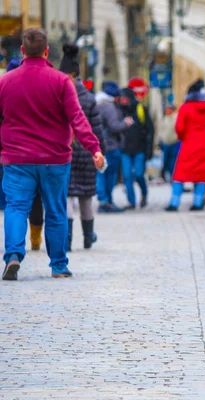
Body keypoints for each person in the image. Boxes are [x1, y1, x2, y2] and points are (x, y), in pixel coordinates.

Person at [0, 28, 104, 281]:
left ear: (22, 51)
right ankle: (58, 265)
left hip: (17, 158)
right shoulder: (61, 81)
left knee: (15, 207)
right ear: (47, 51)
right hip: (54, 159)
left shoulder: (5, 82)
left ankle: (13, 255)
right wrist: (94, 148)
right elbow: (77, 118)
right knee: (55, 210)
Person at [59, 43, 105, 251]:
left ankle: (67, 239)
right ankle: (88, 236)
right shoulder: (88, 97)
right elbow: (96, 127)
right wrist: (99, 151)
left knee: (67, 194)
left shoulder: (58, 94)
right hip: (87, 151)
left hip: (65, 149)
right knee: (86, 195)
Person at [1, 57, 46, 251]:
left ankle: (13, 252)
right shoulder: (35, 91)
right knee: (35, 198)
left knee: (15, 203)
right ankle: (35, 239)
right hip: (36, 154)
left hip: (10, 154)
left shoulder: (4, 90)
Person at [165, 80, 205, 211]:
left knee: (180, 174)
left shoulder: (185, 108)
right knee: (202, 174)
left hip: (188, 143)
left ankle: (174, 202)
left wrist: (183, 138)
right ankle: (198, 202)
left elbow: (179, 128)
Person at [95, 81, 133, 213]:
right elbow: (114, 126)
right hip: (110, 145)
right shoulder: (109, 106)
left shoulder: (97, 103)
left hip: (99, 145)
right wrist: (126, 123)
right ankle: (107, 202)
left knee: (101, 174)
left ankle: (103, 201)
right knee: (109, 175)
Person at [118, 87, 154, 209]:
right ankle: (131, 202)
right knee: (127, 176)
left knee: (139, 174)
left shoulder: (140, 109)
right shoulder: (119, 111)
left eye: (125, 98)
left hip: (140, 149)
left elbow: (150, 130)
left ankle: (144, 194)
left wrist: (149, 149)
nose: (123, 100)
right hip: (125, 150)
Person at [158, 102, 179, 183]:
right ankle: (169, 178)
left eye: (168, 108)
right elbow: (162, 130)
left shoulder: (176, 118)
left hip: (174, 143)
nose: (166, 110)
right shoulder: (165, 118)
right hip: (165, 144)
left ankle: (173, 179)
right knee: (165, 162)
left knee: (172, 163)